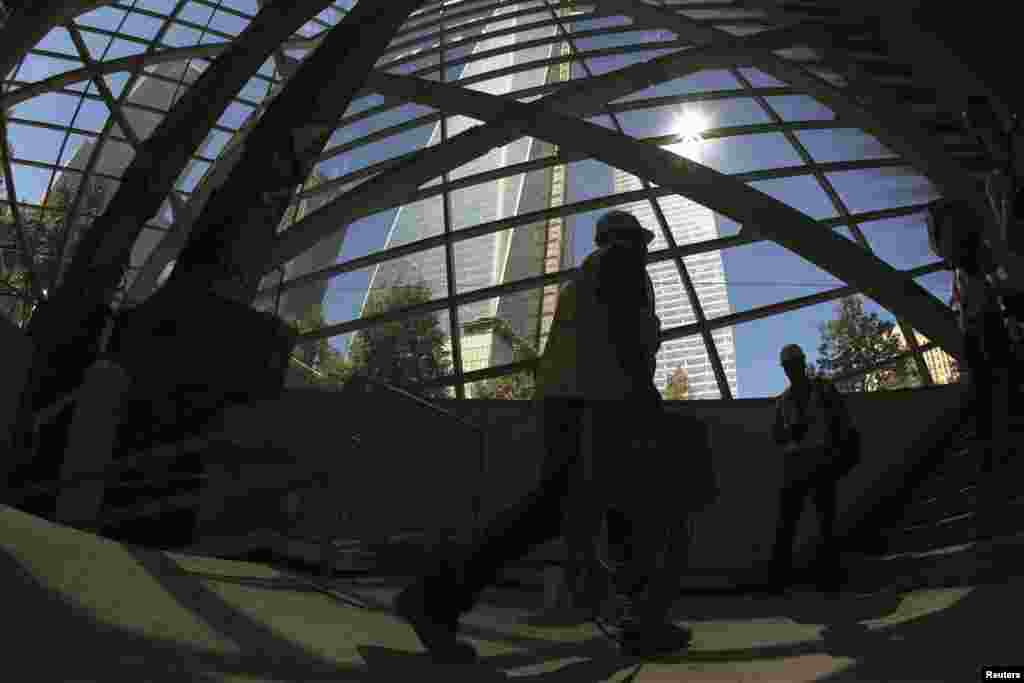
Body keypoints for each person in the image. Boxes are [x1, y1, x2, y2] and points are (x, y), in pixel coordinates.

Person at [393, 210, 694, 662]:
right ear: (623, 239)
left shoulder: (583, 279)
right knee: (633, 509)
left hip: (570, 403)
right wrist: (643, 400)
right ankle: (639, 619)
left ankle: (437, 596)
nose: (646, 248)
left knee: (564, 511)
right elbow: (625, 342)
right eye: (640, 240)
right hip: (599, 406)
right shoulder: (617, 265)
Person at [769, 344, 859, 594]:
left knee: (816, 521)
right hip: (804, 461)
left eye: (793, 365)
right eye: (789, 366)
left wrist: (839, 451)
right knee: (802, 521)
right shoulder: (789, 399)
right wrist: (790, 434)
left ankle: (817, 577)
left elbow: (841, 421)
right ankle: (813, 577)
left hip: (817, 460)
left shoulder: (817, 391)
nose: (791, 370)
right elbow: (777, 435)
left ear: (800, 364)